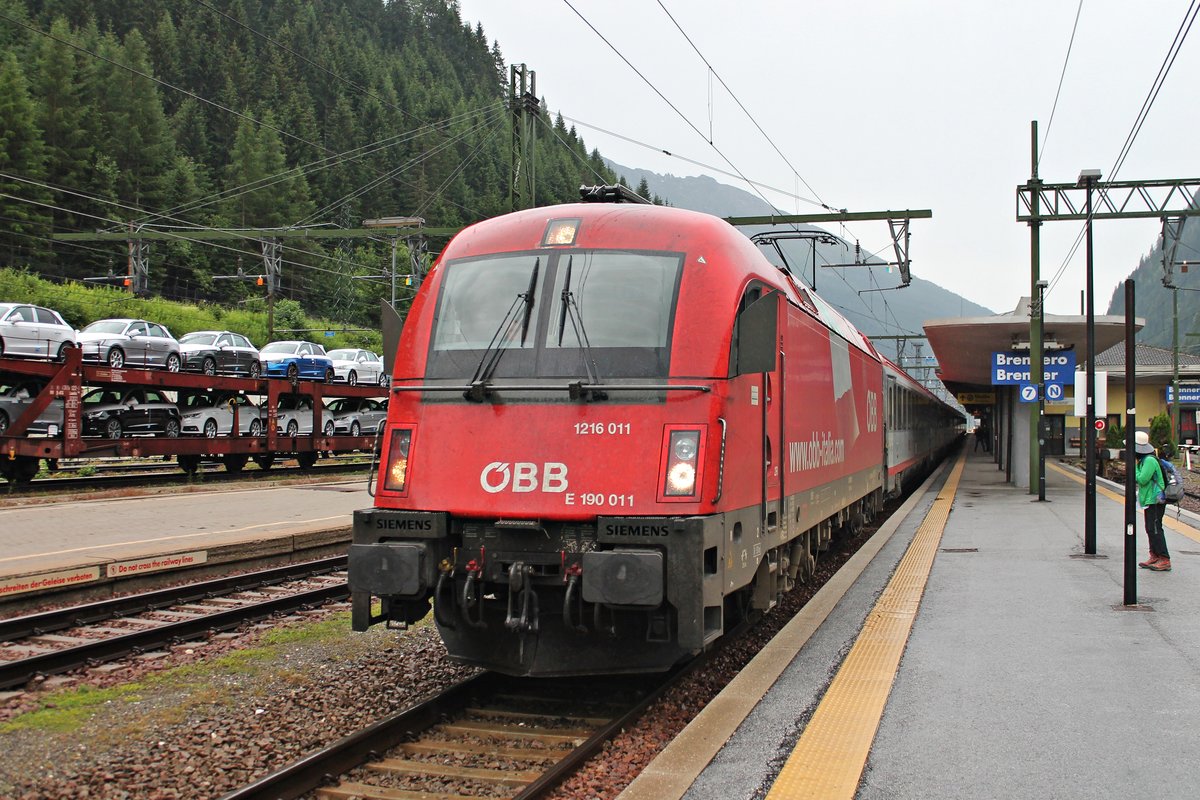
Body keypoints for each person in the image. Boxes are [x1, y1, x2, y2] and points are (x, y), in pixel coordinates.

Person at [1134, 431, 1171, 571]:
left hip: (1156, 499)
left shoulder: (1149, 460)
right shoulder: (1144, 460)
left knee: (1155, 528)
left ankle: (1164, 558)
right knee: (1150, 528)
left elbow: (1142, 479)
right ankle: (1154, 555)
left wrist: (1133, 470)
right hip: (1150, 500)